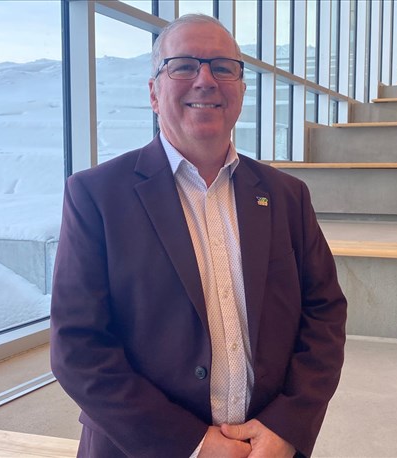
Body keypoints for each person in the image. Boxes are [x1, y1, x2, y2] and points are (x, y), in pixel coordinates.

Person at [50, 14, 347, 458]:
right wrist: (192, 444)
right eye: (184, 66)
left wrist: (286, 427)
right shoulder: (96, 196)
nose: (205, 80)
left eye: (222, 67)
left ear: (241, 91)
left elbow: (324, 314)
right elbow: (78, 346)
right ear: (154, 93)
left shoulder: (287, 196)